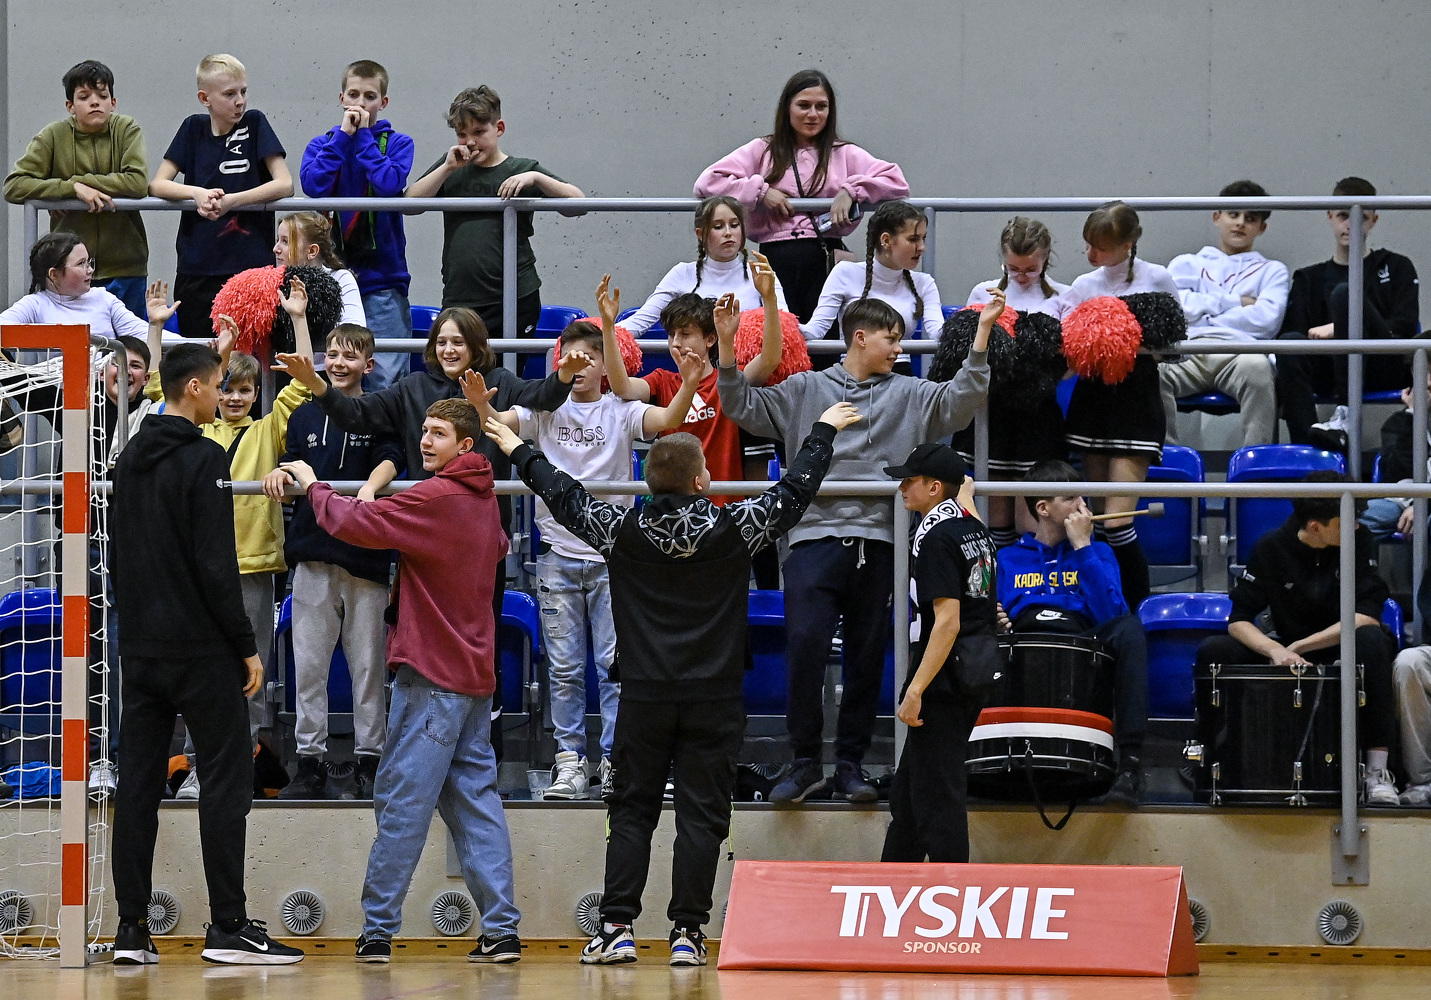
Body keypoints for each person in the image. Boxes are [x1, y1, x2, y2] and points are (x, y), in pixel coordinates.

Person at [487, 398, 858, 966]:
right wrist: (823, 430)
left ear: (647, 481)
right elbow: (795, 492)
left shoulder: (620, 529)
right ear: (701, 480)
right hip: (716, 697)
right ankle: (688, 934)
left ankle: (616, 929)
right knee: (702, 817)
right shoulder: (735, 527)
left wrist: (517, 447)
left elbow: (561, 493)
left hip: (643, 696)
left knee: (631, 812)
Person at [719, 296, 993, 803]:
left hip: (884, 542)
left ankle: (850, 766)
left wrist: (981, 339)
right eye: (892, 338)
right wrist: (728, 347)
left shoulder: (910, 392)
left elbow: (963, 399)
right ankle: (805, 763)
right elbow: (740, 406)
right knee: (804, 646)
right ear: (860, 338)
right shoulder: (805, 388)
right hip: (811, 537)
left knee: (867, 657)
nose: (900, 348)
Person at [277, 398, 521, 964]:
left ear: (466, 445)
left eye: (439, 434)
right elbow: (500, 549)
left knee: (402, 805)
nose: (425, 440)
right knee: (477, 805)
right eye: (425, 430)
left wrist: (313, 485)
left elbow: (354, 523)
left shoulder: (433, 498)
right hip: (475, 681)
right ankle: (502, 930)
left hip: (430, 678)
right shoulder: (486, 501)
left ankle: (378, 932)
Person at [110, 341, 304, 966]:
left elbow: (118, 556)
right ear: (194, 388)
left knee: (137, 787)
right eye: (218, 383)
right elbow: (217, 565)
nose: (223, 393)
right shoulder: (205, 457)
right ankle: (228, 927)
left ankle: (131, 931)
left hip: (140, 651)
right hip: (200, 652)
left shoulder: (127, 457)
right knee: (225, 781)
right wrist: (247, 647)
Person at [466, 315, 704, 799]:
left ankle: (617, 760)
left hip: (614, 558)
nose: (578, 365)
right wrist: (479, 404)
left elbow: (668, 421)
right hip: (557, 556)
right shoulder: (542, 410)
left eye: (588, 357)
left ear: (604, 365)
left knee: (615, 667)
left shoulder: (622, 410)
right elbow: (496, 425)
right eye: (568, 357)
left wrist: (689, 384)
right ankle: (570, 762)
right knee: (564, 669)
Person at [151, 279, 315, 798]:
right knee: (202, 671)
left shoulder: (267, 431)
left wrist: (299, 320)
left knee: (250, 673)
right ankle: (198, 764)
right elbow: (161, 392)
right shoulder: (197, 429)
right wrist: (173, 336)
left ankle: (239, 763)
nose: (235, 398)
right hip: (199, 572)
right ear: (211, 390)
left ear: (256, 394)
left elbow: (304, 384)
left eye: (245, 390)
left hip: (252, 568)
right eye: (226, 388)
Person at [1194, 471, 1399, 805]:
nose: (1356, 526)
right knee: (1213, 649)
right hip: (1286, 648)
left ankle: (1377, 772)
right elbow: (1238, 621)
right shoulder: (1271, 547)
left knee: (1373, 640)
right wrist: (1275, 650)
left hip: (1336, 644)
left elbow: (1367, 614)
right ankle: (1211, 762)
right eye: (1346, 521)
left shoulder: (1360, 540)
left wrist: (1300, 646)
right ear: (1316, 527)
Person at [264, 324, 402, 800]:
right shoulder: (303, 414)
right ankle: (309, 762)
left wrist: (369, 488)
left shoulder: (379, 410)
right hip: (312, 557)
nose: (339, 363)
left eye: (351, 356)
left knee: (368, 669)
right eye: (333, 355)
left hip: (365, 558)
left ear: (369, 364)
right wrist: (280, 474)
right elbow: (291, 461)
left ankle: (370, 760)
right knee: (309, 667)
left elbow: (393, 457)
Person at [695, 69, 909, 323]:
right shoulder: (763, 150)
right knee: (781, 333)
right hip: (775, 259)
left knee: (825, 335)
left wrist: (851, 191)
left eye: (821, 106)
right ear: (787, 108)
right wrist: (761, 191)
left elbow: (896, 182)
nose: (813, 114)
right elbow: (708, 182)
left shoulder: (843, 152)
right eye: (804, 106)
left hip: (826, 259)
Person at [996, 460, 1150, 806]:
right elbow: (995, 615)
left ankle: (1130, 764)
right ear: (1043, 508)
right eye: (1071, 499)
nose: (1083, 507)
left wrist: (1083, 548)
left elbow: (1112, 613)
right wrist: (994, 619)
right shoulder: (1007, 558)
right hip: (1025, 642)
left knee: (1130, 629)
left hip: (1082, 639)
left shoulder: (1099, 552)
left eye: (1083, 497)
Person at [881, 444, 998, 864]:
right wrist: (964, 492)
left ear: (934, 488)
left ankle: (955, 889)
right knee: (908, 799)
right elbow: (968, 510)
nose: (901, 488)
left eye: (909, 480)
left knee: (938, 801)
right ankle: (892, 882)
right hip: (974, 669)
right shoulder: (973, 529)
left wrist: (915, 690)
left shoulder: (935, 539)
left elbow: (947, 622)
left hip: (943, 681)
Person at [1062, 200, 1181, 610]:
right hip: (1092, 400)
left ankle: (1137, 611)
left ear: (1128, 244)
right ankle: (1104, 607)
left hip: (1136, 403)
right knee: (1096, 521)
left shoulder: (1157, 277)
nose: (1091, 254)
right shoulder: (1083, 285)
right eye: (1088, 245)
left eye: (1101, 247)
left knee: (1117, 522)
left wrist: (1127, 341)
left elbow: (1175, 345)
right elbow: (1068, 348)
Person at [404, 85, 583, 339]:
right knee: (458, 362)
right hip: (460, 295)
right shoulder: (451, 166)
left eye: (479, 132)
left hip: (515, 295)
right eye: (462, 134)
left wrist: (536, 178)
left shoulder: (521, 169)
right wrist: (447, 169)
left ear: (499, 128)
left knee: (509, 363)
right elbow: (409, 205)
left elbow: (578, 204)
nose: (470, 141)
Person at [149, 54, 292, 339]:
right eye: (229, 94)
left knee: (249, 353)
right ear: (205, 98)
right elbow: (158, 184)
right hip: (197, 265)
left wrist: (231, 201)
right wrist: (196, 193)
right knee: (199, 350)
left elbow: (285, 184)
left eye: (243, 91)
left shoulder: (255, 123)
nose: (240, 101)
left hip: (251, 266)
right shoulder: (192, 128)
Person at [1277, 177, 1421, 450]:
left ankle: (1345, 414)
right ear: (1330, 216)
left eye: (1361, 218)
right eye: (1343, 216)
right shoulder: (1309, 278)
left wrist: (1340, 327)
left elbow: (1402, 329)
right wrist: (1340, 331)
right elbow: (1296, 335)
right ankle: (1306, 447)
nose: (1351, 225)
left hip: (1381, 363)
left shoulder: (1397, 266)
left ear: (1374, 220)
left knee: (1345, 295)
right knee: (1288, 343)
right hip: (1327, 369)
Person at [299, 59, 414, 390]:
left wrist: (363, 136)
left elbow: (389, 184)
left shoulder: (398, 143)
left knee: (385, 377)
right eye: (353, 95)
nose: (360, 104)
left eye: (369, 96)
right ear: (341, 98)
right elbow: (313, 185)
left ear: (383, 102)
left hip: (382, 280)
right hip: (331, 280)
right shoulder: (324, 144)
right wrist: (343, 138)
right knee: (330, 373)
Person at [4, 60, 149, 317]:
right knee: (73, 339)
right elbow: (14, 186)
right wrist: (71, 188)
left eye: (102, 96)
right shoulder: (53, 135)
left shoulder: (126, 128)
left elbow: (137, 183)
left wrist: (80, 183)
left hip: (126, 268)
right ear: (70, 106)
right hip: (68, 271)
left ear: (113, 103)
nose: (95, 102)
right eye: (84, 97)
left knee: (129, 339)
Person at [961, 217, 1070, 546]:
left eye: (1031, 270)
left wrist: (1039, 379)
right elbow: (969, 349)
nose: (1021, 276)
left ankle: (1031, 575)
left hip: (1038, 414)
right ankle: (999, 578)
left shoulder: (1064, 296)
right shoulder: (983, 291)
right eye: (1013, 268)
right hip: (993, 410)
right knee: (995, 517)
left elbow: (1073, 361)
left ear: (1046, 258)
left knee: (1032, 519)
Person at [1162, 180, 1289, 447]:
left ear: (1261, 228)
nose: (1240, 223)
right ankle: (1165, 461)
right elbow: (1175, 312)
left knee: (1258, 370)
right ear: (1216, 217)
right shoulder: (1186, 263)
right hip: (1188, 350)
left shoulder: (1272, 270)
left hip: (1241, 352)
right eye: (1233, 214)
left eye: (1250, 218)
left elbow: (1266, 321)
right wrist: (1237, 302)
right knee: (1152, 372)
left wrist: (1203, 312)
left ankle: (1255, 466)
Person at [800, 199, 943, 373]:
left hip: (900, 376)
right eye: (913, 239)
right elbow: (814, 330)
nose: (922, 247)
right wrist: (783, 325)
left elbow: (939, 332)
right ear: (886, 240)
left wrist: (970, 326)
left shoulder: (925, 282)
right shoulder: (845, 272)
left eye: (923, 239)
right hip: (852, 375)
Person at [615, 195, 788, 337]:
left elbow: (786, 325)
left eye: (734, 225)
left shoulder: (761, 273)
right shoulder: (682, 273)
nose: (728, 233)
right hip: (694, 366)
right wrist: (603, 332)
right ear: (700, 233)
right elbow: (639, 323)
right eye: (718, 227)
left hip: (750, 367)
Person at [273, 211, 367, 327]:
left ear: (312, 251)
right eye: (278, 240)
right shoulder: (271, 283)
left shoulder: (340, 279)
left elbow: (353, 331)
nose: (275, 249)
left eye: (285, 242)